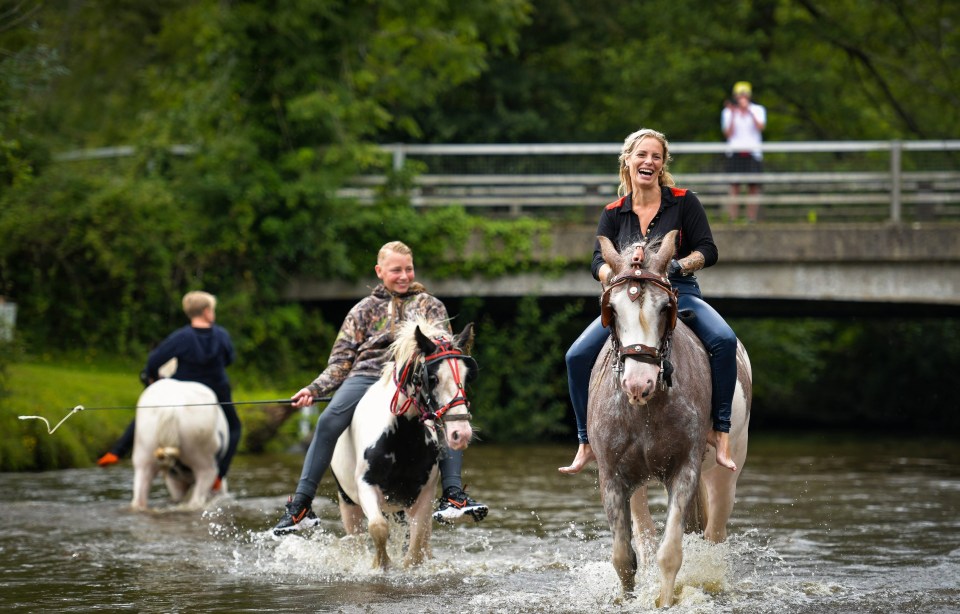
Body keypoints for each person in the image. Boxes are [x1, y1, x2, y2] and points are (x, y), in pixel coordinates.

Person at [271, 240, 488, 535]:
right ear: (379, 271)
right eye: (396, 270)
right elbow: (340, 360)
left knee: (446, 412)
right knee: (329, 420)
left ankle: (452, 494)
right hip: (367, 374)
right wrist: (315, 389)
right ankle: (301, 506)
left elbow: (444, 351)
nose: (404, 276)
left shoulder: (431, 305)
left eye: (408, 269)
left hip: (412, 377)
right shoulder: (362, 310)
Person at [559, 128, 738, 475]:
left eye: (656, 156)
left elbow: (709, 251)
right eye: (642, 154)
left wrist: (676, 265)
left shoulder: (684, 201)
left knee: (724, 340)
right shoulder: (612, 212)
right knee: (576, 356)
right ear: (627, 160)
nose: (649, 162)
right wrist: (612, 275)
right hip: (626, 302)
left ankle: (721, 431)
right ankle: (585, 442)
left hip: (678, 293)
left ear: (663, 163)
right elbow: (597, 261)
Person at [97, 291, 241, 492]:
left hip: (180, 382)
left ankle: (116, 452)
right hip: (217, 388)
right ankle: (219, 475)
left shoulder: (181, 337)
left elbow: (153, 361)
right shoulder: (221, 335)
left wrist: (154, 381)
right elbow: (229, 359)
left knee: (145, 414)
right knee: (235, 428)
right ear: (207, 312)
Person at [721, 81, 767, 222]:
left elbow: (760, 127)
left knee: (753, 187)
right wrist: (735, 114)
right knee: (735, 187)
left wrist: (749, 112)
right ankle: (733, 219)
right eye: (739, 95)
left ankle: (751, 219)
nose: (742, 98)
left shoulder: (758, 109)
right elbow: (728, 133)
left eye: (744, 95)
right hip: (735, 153)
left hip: (753, 153)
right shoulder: (728, 112)